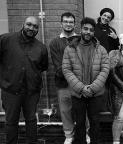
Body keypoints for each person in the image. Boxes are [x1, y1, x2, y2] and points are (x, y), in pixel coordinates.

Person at [0, 16, 48, 144]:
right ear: (23, 24)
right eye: (29, 24)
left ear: (38, 29)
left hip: (32, 92)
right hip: (10, 90)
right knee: (11, 121)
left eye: (35, 26)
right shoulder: (5, 39)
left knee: (31, 120)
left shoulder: (41, 47)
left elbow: (43, 67)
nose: (31, 28)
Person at [62, 17, 109, 144]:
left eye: (91, 30)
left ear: (94, 32)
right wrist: (82, 88)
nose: (88, 32)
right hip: (78, 93)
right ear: (81, 29)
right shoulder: (70, 48)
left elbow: (105, 70)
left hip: (96, 93)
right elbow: (66, 69)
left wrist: (92, 88)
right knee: (80, 122)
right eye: (85, 29)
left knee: (95, 122)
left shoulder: (101, 49)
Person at [49, 12, 79, 144]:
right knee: (65, 110)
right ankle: (68, 135)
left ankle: (85, 132)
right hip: (63, 83)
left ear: (74, 24)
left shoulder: (81, 39)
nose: (68, 24)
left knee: (82, 109)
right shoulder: (55, 42)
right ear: (61, 23)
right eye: (66, 21)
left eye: (71, 22)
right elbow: (58, 65)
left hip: (80, 83)